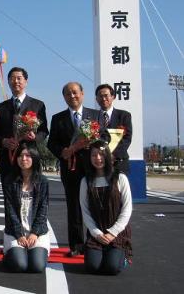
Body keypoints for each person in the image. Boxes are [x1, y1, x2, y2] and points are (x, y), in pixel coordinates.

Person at [47, 81, 98, 256]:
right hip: (70, 168)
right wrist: (63, 152)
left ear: (82, 94)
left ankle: (94, 242)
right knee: (74, 207)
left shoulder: (95, 115)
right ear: (64, 97)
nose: (72, 96)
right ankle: (76, 245)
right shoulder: (57, 118)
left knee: (94, 206)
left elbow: (104, 137)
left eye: (75, 92)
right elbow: (51, 143)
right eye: (68, 94)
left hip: (93, 169)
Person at [80, 140, 132, 275]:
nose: (98, 158)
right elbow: (85, 211)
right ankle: (101, 252)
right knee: (92, 267)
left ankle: (122, 256)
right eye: (94, 155)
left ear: (108, 156)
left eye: (101, 154)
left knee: (112, 268)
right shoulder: (86, 181)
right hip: (96, 233)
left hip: (117, 233)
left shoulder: (120, 178)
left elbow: (127, 209)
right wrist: (96, 233)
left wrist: (113, 232)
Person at [0, 67, 48, 183]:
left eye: (19, 78)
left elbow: (44, 131)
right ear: (8, 82)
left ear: (26, 82)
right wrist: (3, 141)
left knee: (31, 197)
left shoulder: (38, 105)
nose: (16, 81)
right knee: (9, 199)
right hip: (8, 160)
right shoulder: (0, 107)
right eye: (12, 78)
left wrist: (35, 138)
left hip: (30, 158)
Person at [2, 143, 49, 273]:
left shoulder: (42, 181)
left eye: (28, 156)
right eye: (21, 156)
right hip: (15, 232)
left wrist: (34, 233)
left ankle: (36, 252)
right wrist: (19, 234)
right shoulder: (9, 181)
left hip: (37, 233)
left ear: (34, 158)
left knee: (37, 266)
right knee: (20, 265)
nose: (23, 159)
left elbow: (43, 210)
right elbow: (10, 210)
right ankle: (9, 254)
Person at [95, 84, 132, 174]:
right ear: (96, 99)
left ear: (113, 97)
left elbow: (127, 139)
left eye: (106, 95)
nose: (103, 98)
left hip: (119, 162)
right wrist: (100, 156)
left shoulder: (124, 115)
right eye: (100, 96)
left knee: (119, 187)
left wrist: (111, 155)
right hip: (98, 163)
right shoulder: (92, 117)